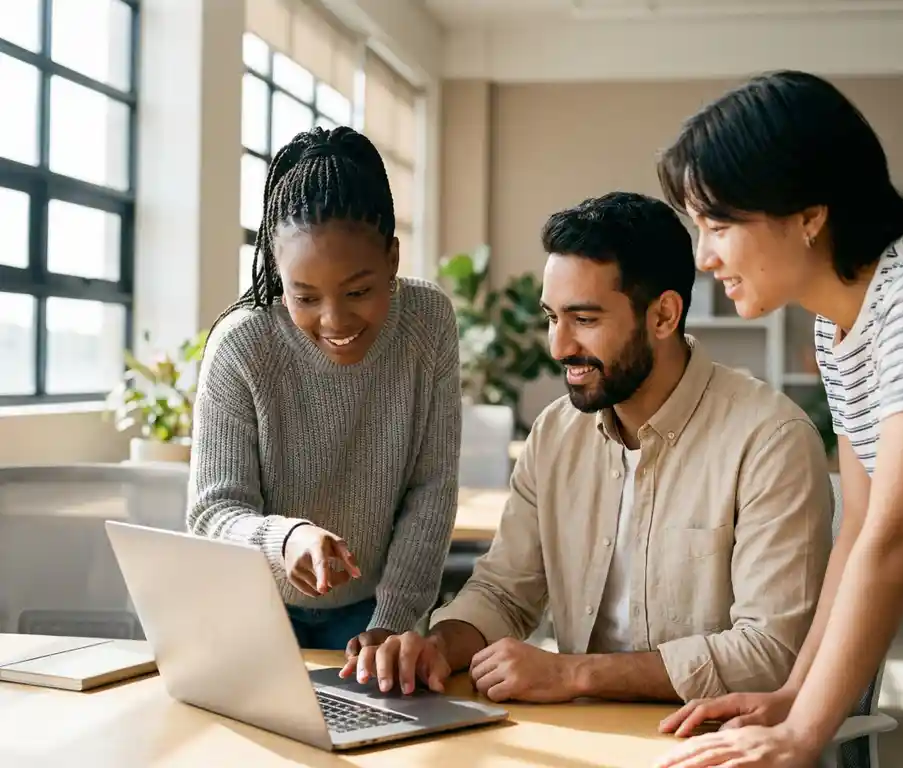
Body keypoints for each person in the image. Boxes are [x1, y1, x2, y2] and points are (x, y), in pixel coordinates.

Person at [651, 70, 903, 768]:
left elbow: (900, 532)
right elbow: (856, 527)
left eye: (720, 225)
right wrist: (795, 695)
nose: (704, 258)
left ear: (808, 214)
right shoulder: (840, 325)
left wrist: (805, 736)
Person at [337, 191, 833, 704]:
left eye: (585, 319)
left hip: (714, 739)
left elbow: (771, 654)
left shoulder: (770, 440)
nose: (559, 346)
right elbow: (505, 592)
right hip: (584, 732)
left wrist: (573, 675)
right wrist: (438, 647)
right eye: (553, 317)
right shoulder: (555, 435)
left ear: (663, 316)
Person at [186, 126, 461, 653]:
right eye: (304, 296)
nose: (334, 320)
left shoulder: (427, 322)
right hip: (249, 609)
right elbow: (212, 514)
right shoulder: (243, 345)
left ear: (393, 259)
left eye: (358, 290)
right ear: (275, 270)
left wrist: (395, 622)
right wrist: (285, 538)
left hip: (374, 610)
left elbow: (431, 491)